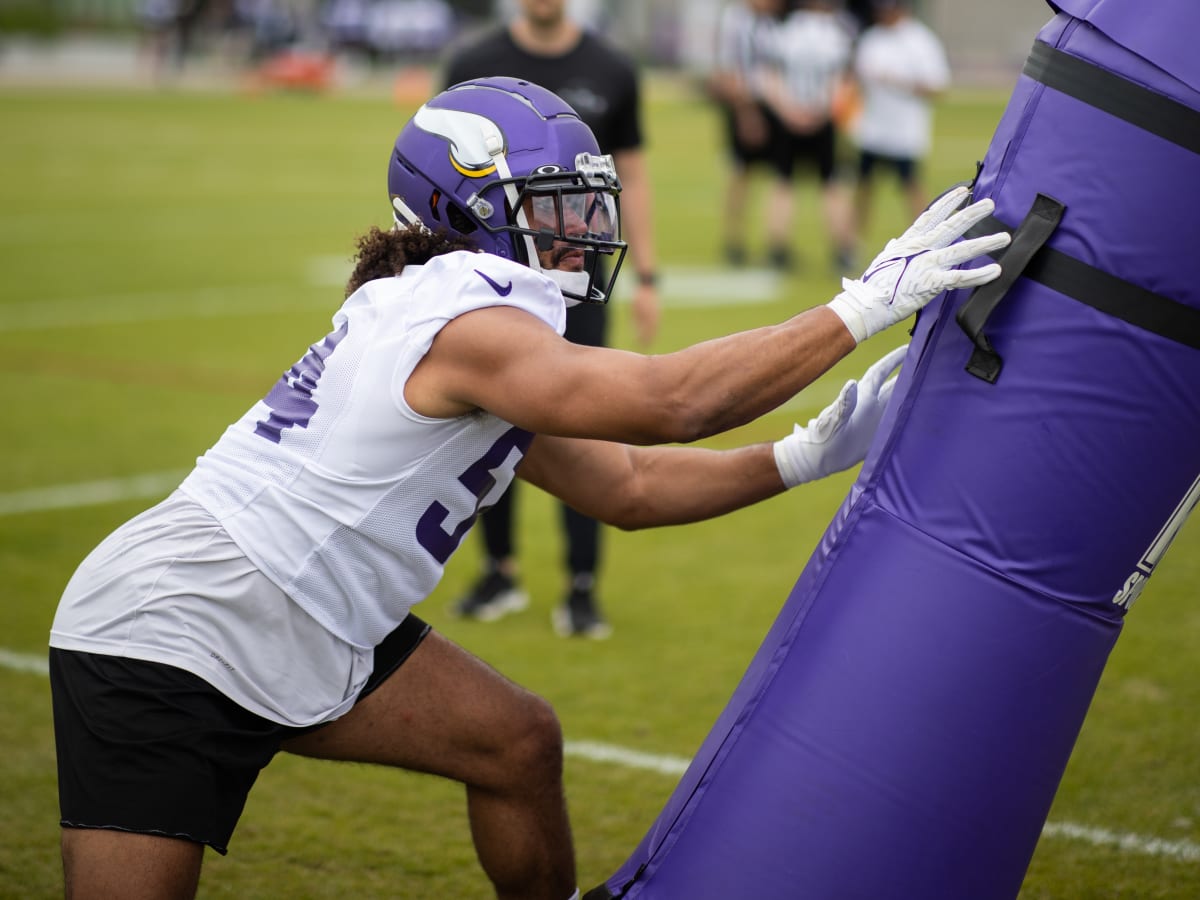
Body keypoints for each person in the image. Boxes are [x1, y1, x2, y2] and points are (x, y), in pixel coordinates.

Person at [47, 76, 1008, 900]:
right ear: (465, 209)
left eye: (588, 206)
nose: (582, 231)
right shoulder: (464, 320)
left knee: (515, 744)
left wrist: (803, 455)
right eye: (554, 209)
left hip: (300, 611)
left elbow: (625, 485)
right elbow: (670, 404)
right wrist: (864, 303)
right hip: (179, 624)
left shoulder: (458, 320)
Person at [441, 0, 661, 637]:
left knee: (591, 424)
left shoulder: (611, 66)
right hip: (493, 280)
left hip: (578, 278)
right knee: (487, 420)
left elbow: (633, 177)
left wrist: (647, 275)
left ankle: (582, 584)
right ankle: (499, 572)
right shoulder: (474, 64)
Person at [762, 0, 859, 272]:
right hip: (821, 118)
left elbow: (770, 77)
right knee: (831, 185)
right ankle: (842, 250)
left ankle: (777, 249)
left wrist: (787, 111)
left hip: (787, 117)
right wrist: (822, 111)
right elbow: (842, 81)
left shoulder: (784, 31)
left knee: (783, 183)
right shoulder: (834, 33)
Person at [850, 0, 951, 236]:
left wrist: (898, 82)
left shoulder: (920, 41)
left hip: (905, 131)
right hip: (872, 128)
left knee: (911, 186)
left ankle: (926, 240)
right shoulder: (872, 39)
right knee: (864, 186)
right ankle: (850, 245)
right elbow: (856, 80)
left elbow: (938, 87)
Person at [707, 0, 793, 268]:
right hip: (746, 102)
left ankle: (776, 241)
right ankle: (735, 240)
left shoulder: (771, 23)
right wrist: (746, 113)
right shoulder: (736, 20)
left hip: (771, 103)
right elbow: (728, 69)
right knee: (742, 173)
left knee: (780, 173)